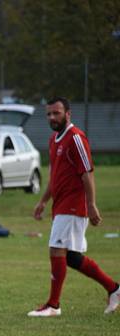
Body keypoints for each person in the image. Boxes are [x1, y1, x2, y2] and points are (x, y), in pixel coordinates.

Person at [28, 96, 119, 317]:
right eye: (49, 113)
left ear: (68, 113)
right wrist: (43, 201)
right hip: (60, 205)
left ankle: (53, 305)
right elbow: (55, 177)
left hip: (73, 205)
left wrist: (91, 205)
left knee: (56, 250)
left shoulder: (76, 138)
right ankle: (114, 289)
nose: (52, 117)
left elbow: (87, 173)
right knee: (71, 257)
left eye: (56, 113)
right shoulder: (53, 140)